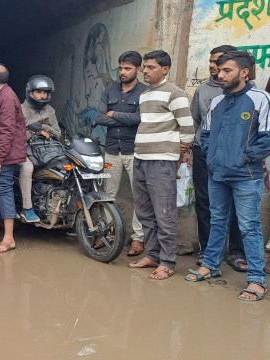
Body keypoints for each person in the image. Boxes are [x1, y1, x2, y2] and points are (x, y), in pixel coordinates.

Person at [187, 51, 270, 301]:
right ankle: (210, 265)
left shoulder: (260, 99)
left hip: (246, 175)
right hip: (217, 174)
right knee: (217, 221)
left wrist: (242, 157)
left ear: (244, 72)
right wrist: (212, 157)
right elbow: (207, 134)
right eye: (219, 70)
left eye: (227, 71)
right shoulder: (217, 102)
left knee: (249, 226)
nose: (220, 75)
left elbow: (267, 138)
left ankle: (257, 279)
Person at [127, 50, 194, 280]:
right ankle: (153, 255)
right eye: (144, 67)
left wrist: (180, 154)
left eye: (151, 67)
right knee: (145, 213)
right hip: (141, 159)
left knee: (164, 213)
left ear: (165, 69)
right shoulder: (145, 95)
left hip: (162, 161)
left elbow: (187, 129)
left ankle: (167, 261)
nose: (145, 71)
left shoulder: (175, 94)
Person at [189, 45, 246, 271]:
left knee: (235, 205)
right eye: (211, 62)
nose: (214, 66)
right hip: (205, 155)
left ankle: (237, 253)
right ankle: (207, 251)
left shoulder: (246, 93)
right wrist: (192, 148)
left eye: (219, 62)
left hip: (235, 157)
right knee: (205, 203)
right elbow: (195, 121)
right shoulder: (202, 90)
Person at [94, 51, 148, 255]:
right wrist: (127, 118)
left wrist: (114, 114)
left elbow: (141, 118)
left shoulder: (144, 92)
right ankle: (106, 234)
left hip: (134, 151)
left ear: (138, 69)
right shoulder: (110, 91)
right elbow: (100, 117)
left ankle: (138, 238)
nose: (123, 72)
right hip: (111, 151)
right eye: (121, 68)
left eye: (128, 68)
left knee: (139, 196)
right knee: (108, 195)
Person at [0, 63, 26, 253]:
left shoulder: (6, 97)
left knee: (4, 191)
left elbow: (8, 131)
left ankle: (8, 238)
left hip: (4, 158)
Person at [19, 75, 61, 223]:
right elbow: (18, 135)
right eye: (39, 92)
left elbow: (58, 134)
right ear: (30, 92)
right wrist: (34, 131)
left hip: (46, 152)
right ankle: (27, 209)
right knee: (27, 168)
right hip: (24, 150)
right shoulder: (21, 110)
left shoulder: (50, 110)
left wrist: (41, 127)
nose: (43, 96)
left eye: (46, 93)